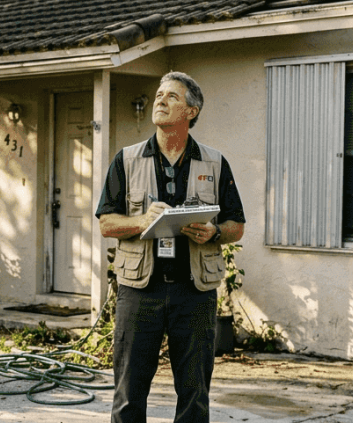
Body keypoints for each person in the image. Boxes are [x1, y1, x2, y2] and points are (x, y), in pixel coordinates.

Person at [96, 71, 246, 423]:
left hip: (193, 293)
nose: (160, 101)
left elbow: (236, 226)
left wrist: (214, 232)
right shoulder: (126, 160)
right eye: (158, 95)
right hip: (139, 292)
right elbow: (106, 223)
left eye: (172, 97)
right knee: (129, 393)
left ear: (191, 112)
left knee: (195, 394)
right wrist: (141, 221)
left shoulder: (215, 162)